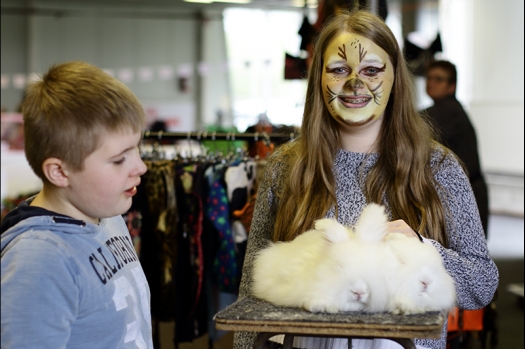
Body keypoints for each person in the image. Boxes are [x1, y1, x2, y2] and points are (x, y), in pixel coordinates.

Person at [233, 9, 498, 349]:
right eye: (339, 70)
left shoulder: (438, 167)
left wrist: (424, 249)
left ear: (394, 78)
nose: (355, 84)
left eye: (371, 70)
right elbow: (253, 287)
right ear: (319, 79)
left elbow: (482, 285)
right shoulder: (288, 165)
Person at [1, 61, 153, 348]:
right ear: (60, 172)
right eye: (119, 159)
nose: (141, 166)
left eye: (137, 148)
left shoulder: (107, 215)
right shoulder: (38, 261)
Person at [422, 60, 490, 237]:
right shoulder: (446, 110)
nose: (431, 82)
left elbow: (409, 125)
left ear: (452, 86)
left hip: (464, 199)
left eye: (438, 79)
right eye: (429, 78)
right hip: (461, 196)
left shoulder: (448, 111)